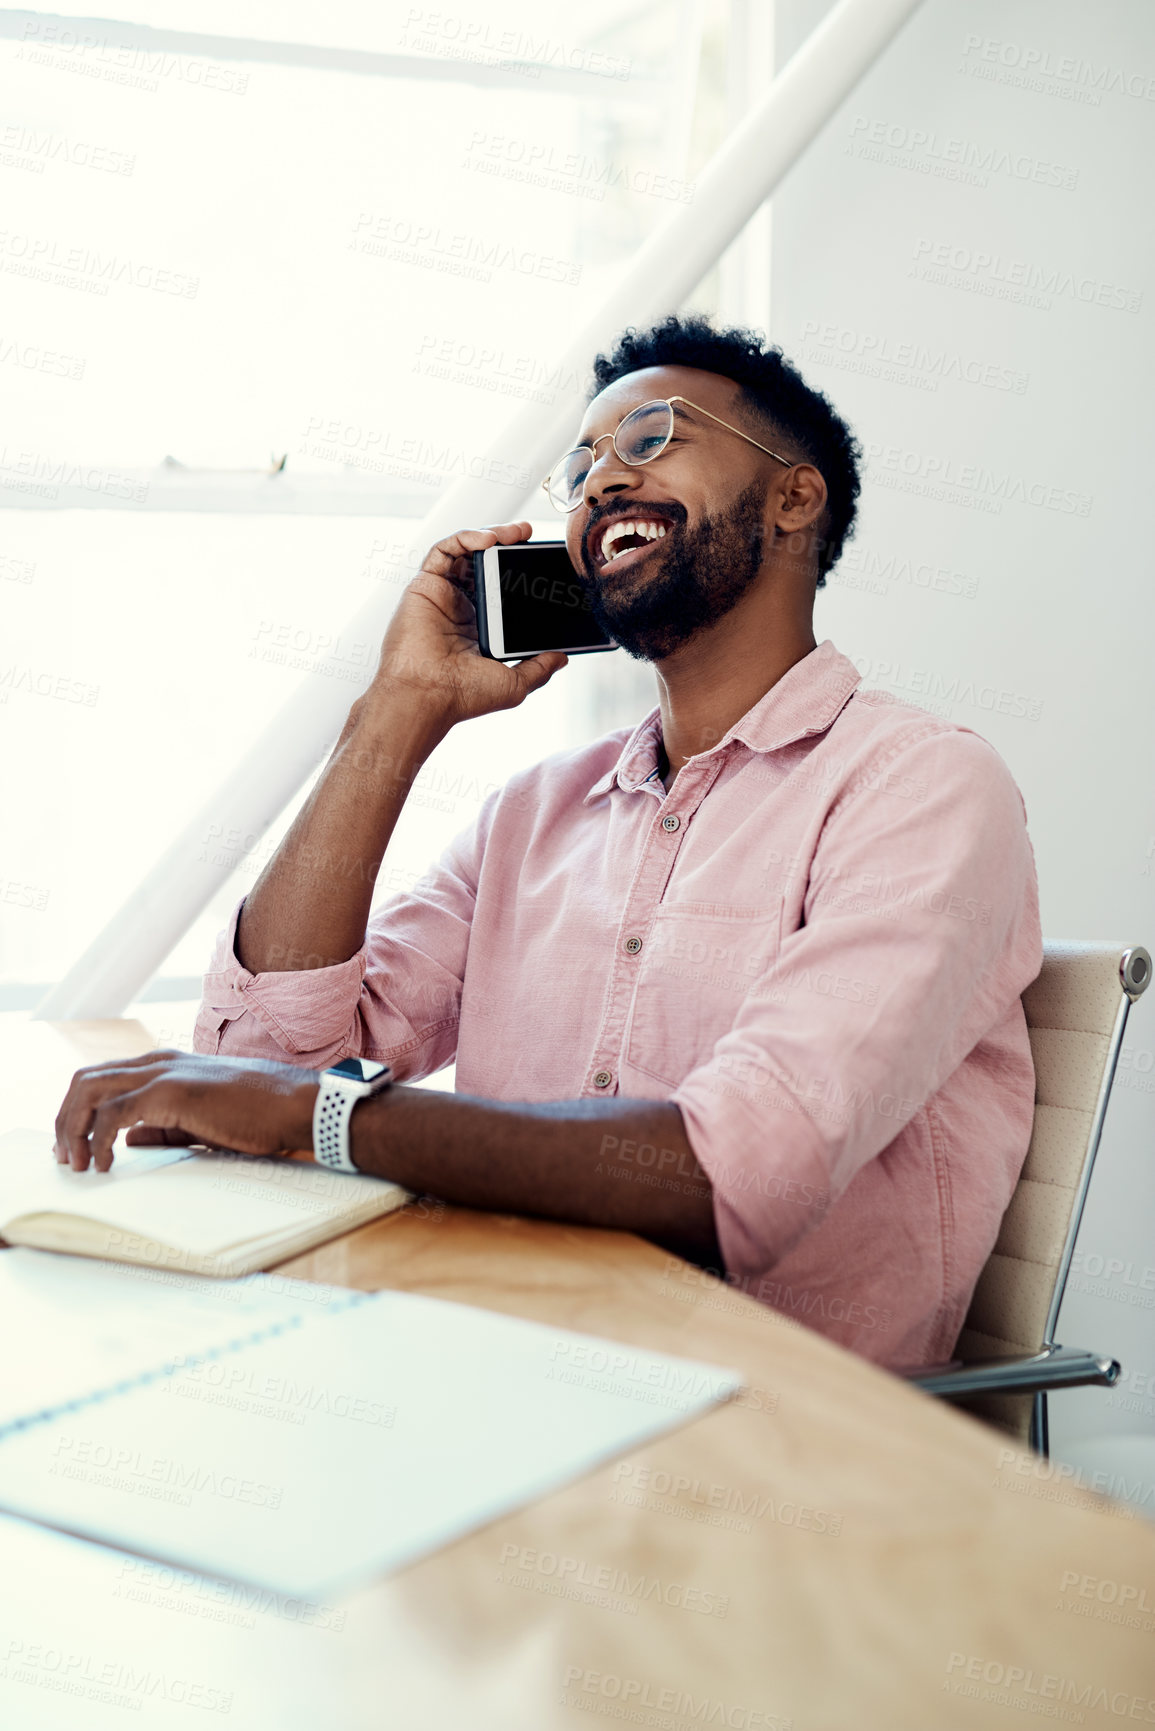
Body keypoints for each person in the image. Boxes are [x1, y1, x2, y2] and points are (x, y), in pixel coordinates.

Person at [54, 316, 1041, 1371]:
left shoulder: (922, 789)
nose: (600, 484)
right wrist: (398, 713)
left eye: (652, 438)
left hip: (764, 1434)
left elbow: (731, 1176)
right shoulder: (535, 812)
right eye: (580, 470)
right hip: (493, 1356)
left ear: (795, 499)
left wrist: (319, 1119)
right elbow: (255, 1062)